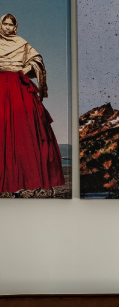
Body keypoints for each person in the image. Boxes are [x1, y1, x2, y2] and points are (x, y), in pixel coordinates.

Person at [0, 12, 66, 196]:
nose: (7, 27)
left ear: (15, 27)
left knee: (26, 130)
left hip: (17, 86)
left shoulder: (22, 43)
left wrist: (26, 68)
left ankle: (29, 179)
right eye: (5, 24)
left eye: (11, 25)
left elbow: (37, 60)